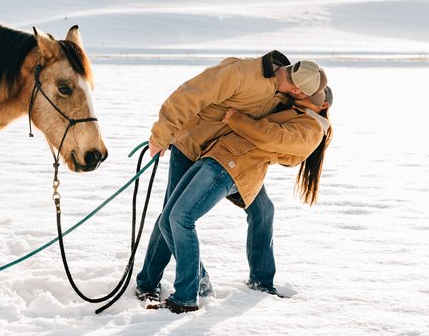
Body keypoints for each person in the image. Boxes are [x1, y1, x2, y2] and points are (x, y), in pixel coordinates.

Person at [135, 52, 325, 303]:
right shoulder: (242, 74)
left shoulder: (283, 95)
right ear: (299, 91)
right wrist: (161, 135)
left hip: (228, 158)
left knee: (263, 210)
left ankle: (262, 281)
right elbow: (190, 94)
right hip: (193, 146)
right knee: (173, 216)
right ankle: (153, 282)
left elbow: (286, 145)